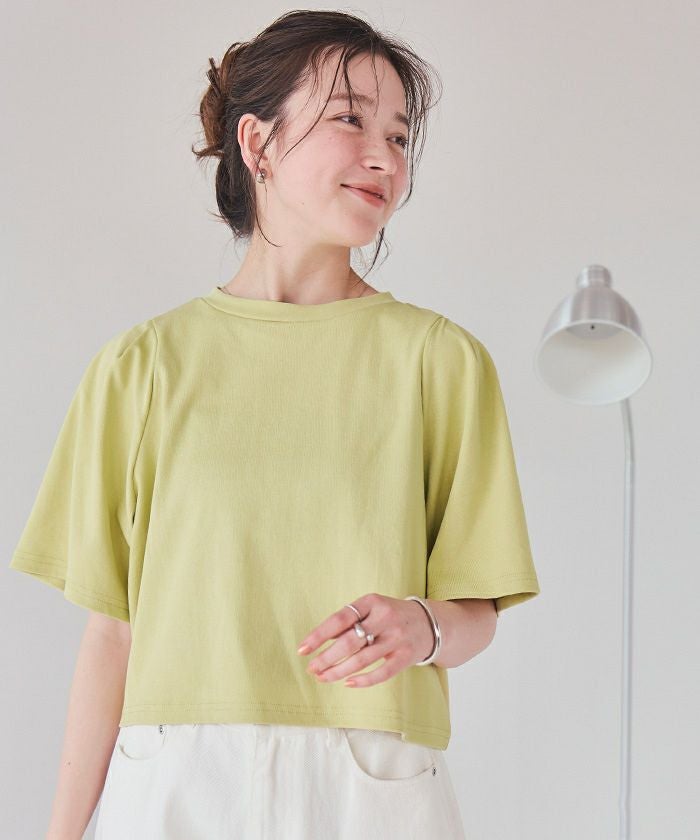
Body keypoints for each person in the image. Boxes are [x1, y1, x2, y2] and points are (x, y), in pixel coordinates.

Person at [10, 10, 541, 840]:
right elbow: (112, 634)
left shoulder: (440, 362)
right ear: (258, 142)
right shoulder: (142, 366)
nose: (384, 156)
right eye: (350, 118)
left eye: (400, 136)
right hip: (175, 778)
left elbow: (477, 607)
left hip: (370, 781)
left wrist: (424, 626)